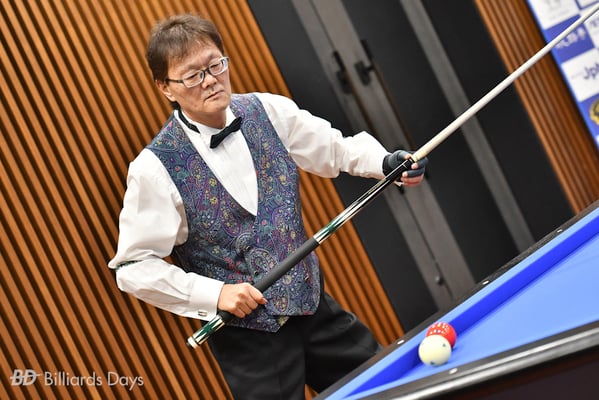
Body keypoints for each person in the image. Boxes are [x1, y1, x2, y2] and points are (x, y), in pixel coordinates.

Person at [109, 14, 427, 400]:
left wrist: (385, 162)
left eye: (215, 65)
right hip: (251, 342)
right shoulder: (154, 169)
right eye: (192, 75)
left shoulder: (268, 111)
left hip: (313, 307)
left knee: (393, 388)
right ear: (165, 87)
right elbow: (133, 267)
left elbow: (335, 148)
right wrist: (215, 294)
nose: (210, 80)